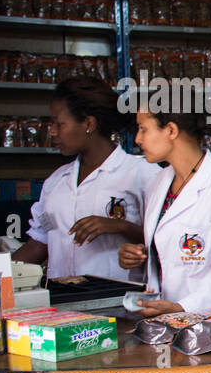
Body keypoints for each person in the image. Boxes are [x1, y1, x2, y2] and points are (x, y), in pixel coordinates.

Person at [116, 106, 211, 317]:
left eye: (143, 129)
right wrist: (139, 258)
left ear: (171, 130)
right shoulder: (160, 182)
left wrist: (182, 307)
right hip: (166, 322)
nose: (138, 139)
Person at [12, 77, 159, 281]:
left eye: (59, 124)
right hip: (61, 304)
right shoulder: (56, 181)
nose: (52, 132)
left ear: (89, 124)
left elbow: (167, 240)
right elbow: (39, 242)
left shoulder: (141, 174)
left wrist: (120, 226)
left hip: (118, 300)